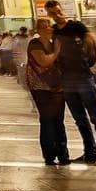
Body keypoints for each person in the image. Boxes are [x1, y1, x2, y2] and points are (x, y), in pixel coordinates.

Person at [46, 0, 96, 163]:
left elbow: (91, 44)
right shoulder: (52, 31)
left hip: (83, 77)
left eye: (58, 11)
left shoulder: (76, 26)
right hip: (67, 80)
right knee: (80, 119)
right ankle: (89, 151)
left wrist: (87, 62)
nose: (57, 15)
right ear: (49, 15)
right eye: (53, 13)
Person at [21, 15, 69, 165]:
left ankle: (63, 154)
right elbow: (43, 61)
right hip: (40, 87)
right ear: (39, 29)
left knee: (58, 120)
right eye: (47, 26)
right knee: (47, 119)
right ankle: (49, 154)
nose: (50, 28)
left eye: (50, 25)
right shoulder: (35, 44)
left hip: (57, 86)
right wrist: (56, 52)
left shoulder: (53, 42)